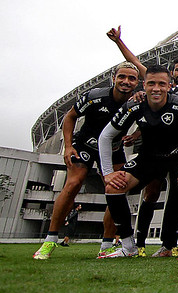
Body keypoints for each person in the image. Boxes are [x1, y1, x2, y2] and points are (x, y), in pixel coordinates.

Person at [96, 64, 178, 260]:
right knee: (113, 188)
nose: (156, 88)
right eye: (151, 83)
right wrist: (108, 173)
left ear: (169, 86)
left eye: (161, 84)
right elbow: (105, 136)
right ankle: (128, 246)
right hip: (149, 158)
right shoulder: (134, 104)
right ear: (144, 85)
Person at [33, 62, 140, 260]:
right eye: (122, 77)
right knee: (73, 183)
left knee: (117, 189)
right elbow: (70, 116)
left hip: (112, 149)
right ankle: (50, 240)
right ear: (114, 78)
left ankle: (106, 245)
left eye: (131, 78)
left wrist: (134, 136)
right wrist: (68, 145)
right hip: (85, 146)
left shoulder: (135, 102)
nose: (126, 81)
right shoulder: (94, 97)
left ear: (137, 82)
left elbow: (149, 119)